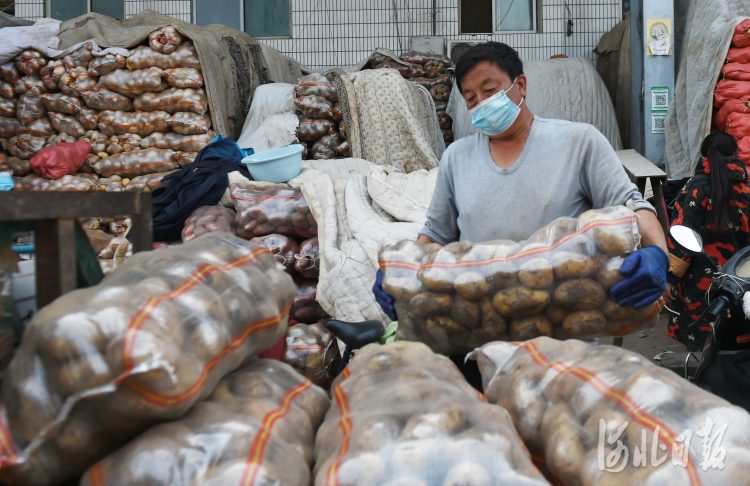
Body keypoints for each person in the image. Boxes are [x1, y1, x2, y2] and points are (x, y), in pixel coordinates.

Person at [373, 41, 668, 328]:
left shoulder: (578, 143)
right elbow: (437, 234)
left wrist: (658, 254)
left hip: (561, 322)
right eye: (471, 98)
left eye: (490, 91)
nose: (482, 103)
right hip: (477, 321)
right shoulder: (456, 158)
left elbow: (633, 208)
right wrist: (403, 271)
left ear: (521, 85)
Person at [664, 132, 750, 349]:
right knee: (734, 338)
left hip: (701, 282)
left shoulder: (696, 187)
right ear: (735, 154)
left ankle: (700, 379)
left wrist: (670, 278)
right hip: (741, 281)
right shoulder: (746, 189)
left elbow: (681, 236)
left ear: (704, 155)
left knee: (702, 340)